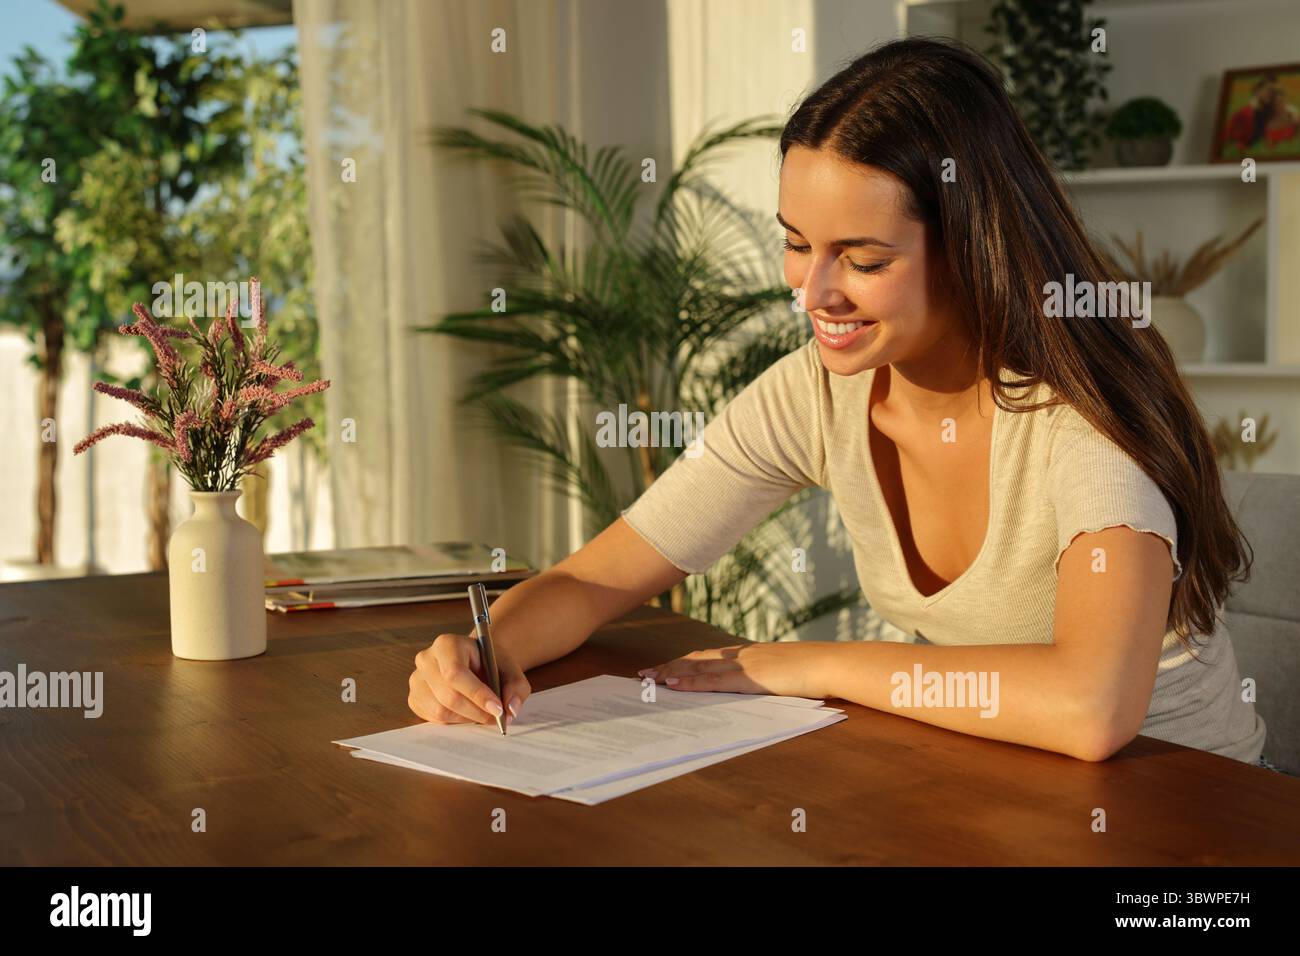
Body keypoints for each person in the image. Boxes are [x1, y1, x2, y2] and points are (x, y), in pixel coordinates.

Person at [408, 37, 1267, 766]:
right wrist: (487, 653)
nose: (814, 293)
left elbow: (1091, 709)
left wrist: (811, 664)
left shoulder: (1081, 414)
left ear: (971, 248)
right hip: (1000, 784)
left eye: (862, 259)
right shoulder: (819, 390)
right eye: (795, 244)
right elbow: (595, 578)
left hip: (1187, 814)